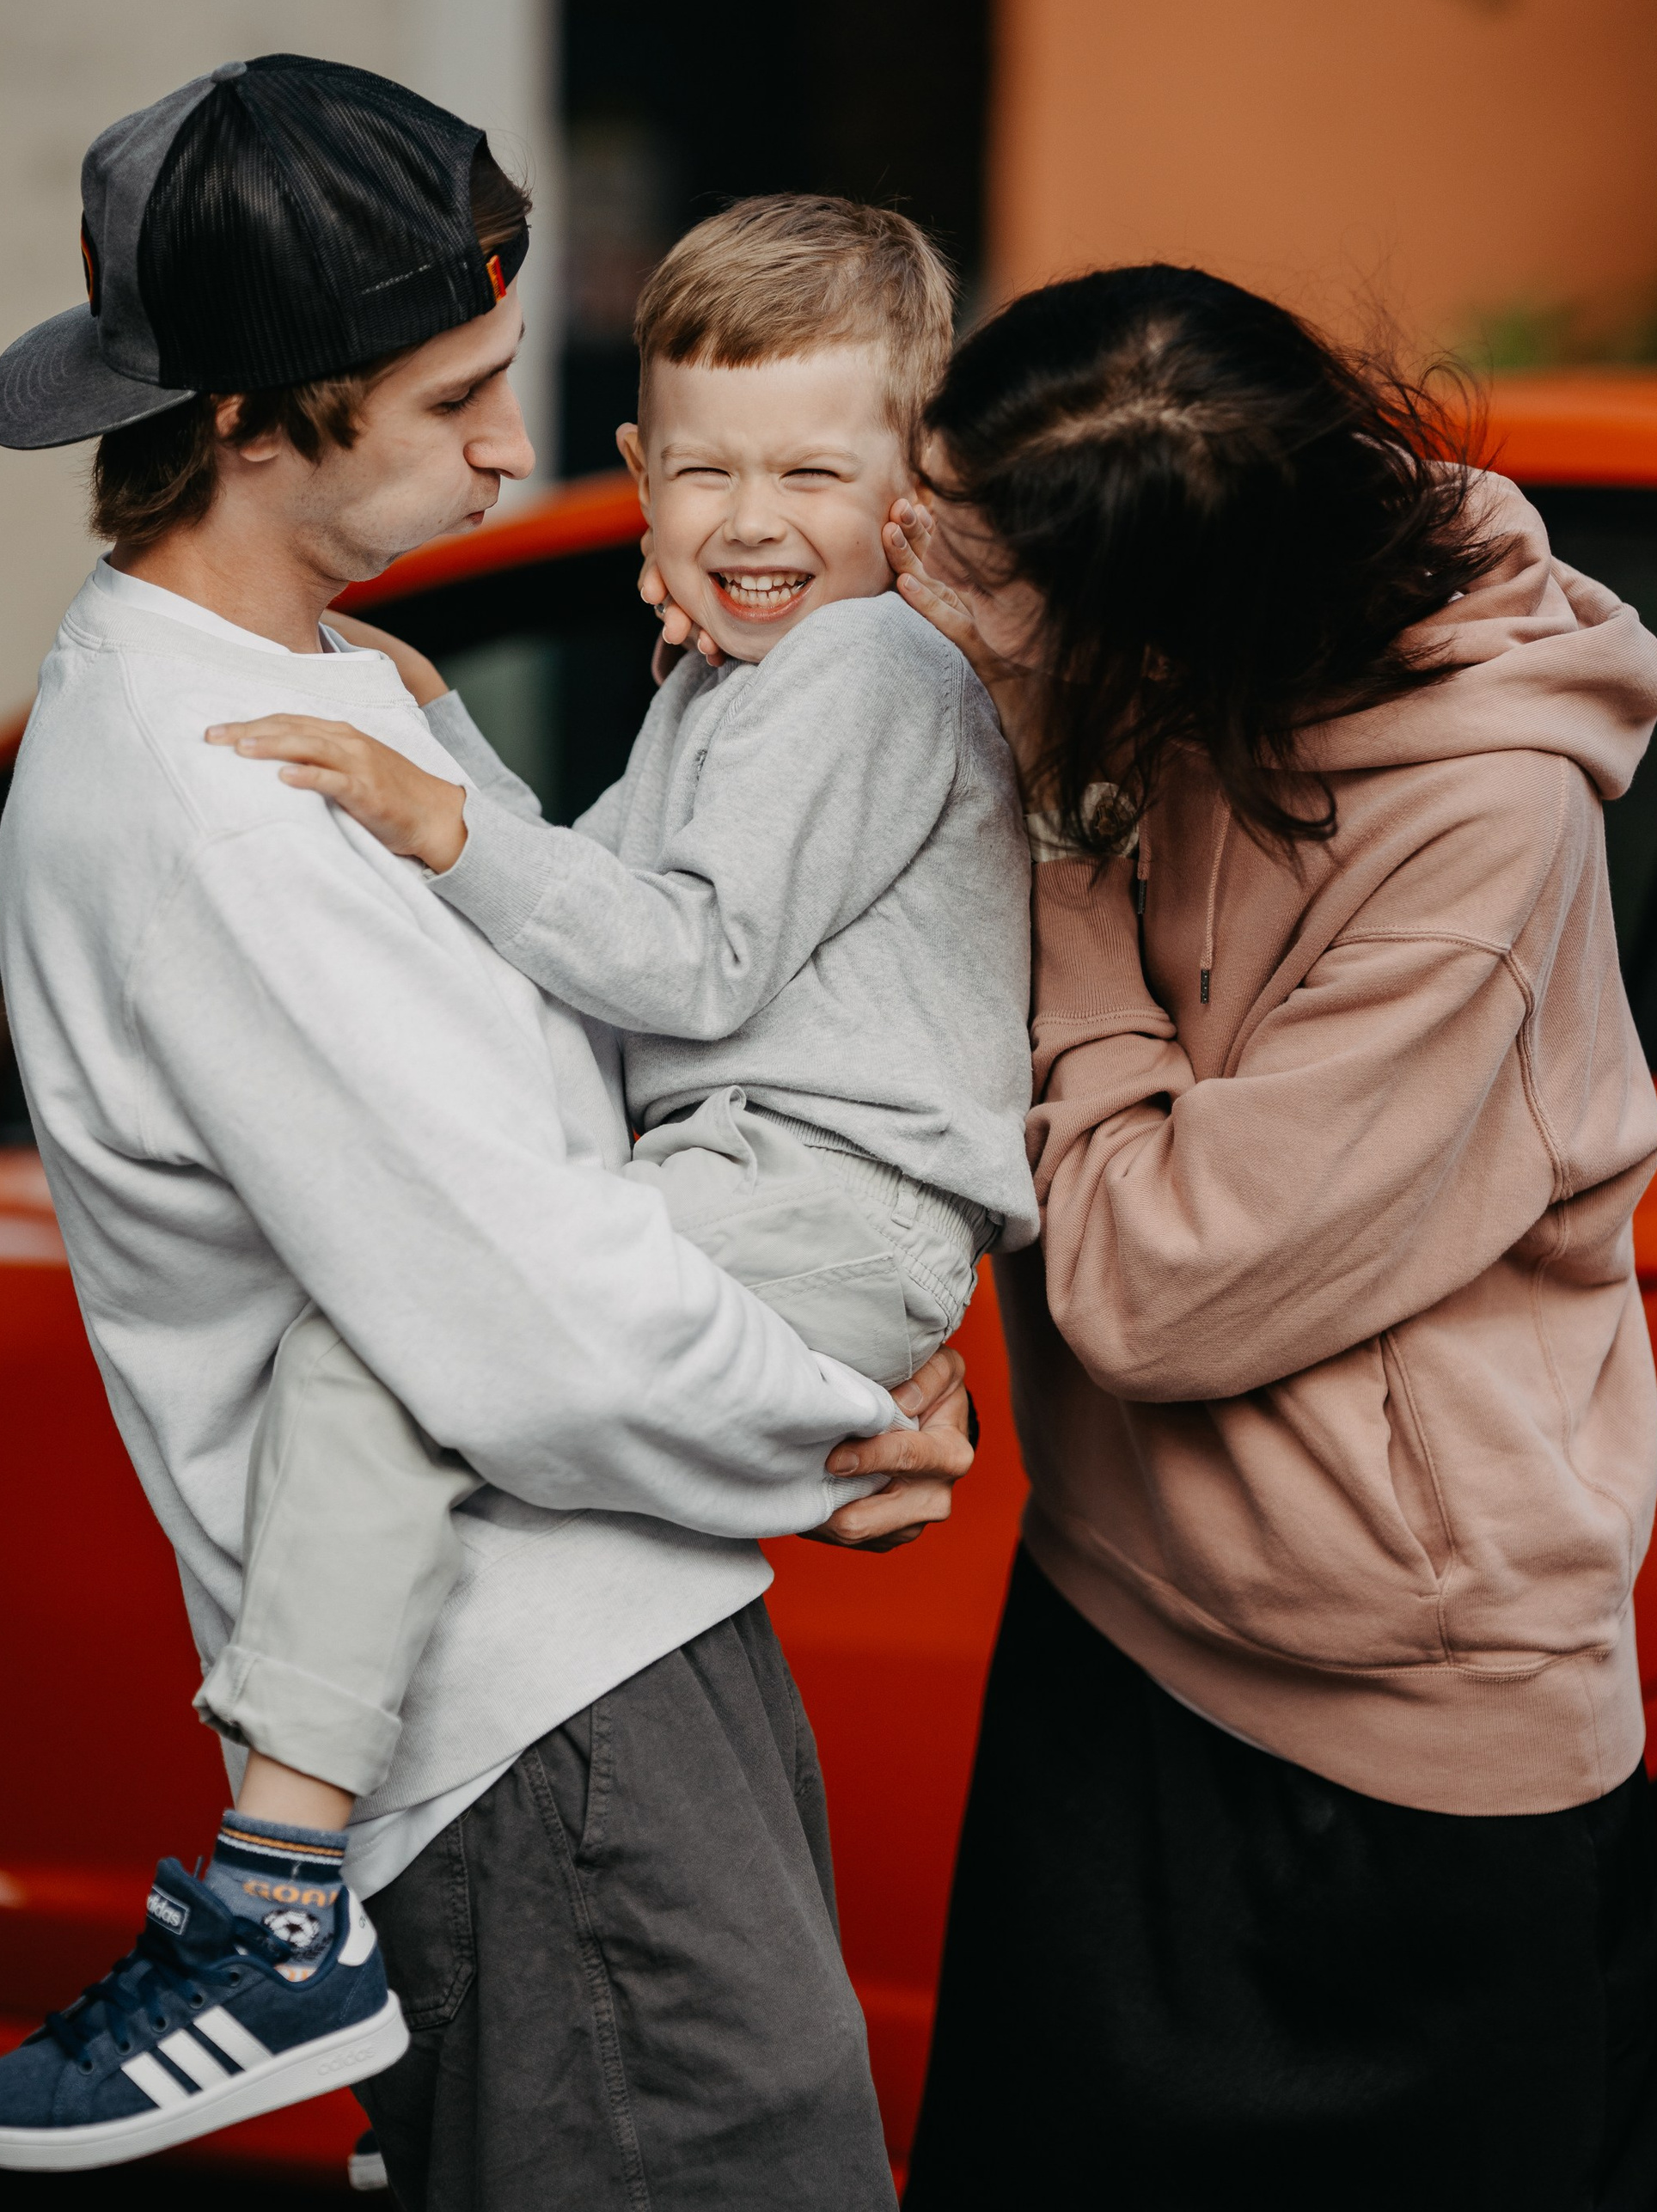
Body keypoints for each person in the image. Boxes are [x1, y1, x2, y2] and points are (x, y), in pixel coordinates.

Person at [0, 55, 969, 2212]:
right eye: (452, 401)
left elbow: (602, 1071)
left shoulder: (339, 699)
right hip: (541, 1732)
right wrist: (828, 1432)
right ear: (251, 421)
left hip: (597, 1668)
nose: (525, 455)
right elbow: (528, 1310)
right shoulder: (215, 798)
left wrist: (681, 730)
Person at [877, 266, 1657, 2212]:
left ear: (1163, 630)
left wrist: (1061, 893)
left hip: (1395, 1750)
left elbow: (1154, 1281)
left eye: (969, 555)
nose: (918, 571)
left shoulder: (1484, 824)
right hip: (1111, 1635)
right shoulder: (1157, 620)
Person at [138, 192, 1034, 1859]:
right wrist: (447, 734)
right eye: (704, 473)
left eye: (812, 474)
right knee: (407, 1359)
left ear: (918, 487)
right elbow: (599, 910)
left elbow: (683, 965)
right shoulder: (744, 679)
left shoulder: (866, 669)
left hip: (829, 1200)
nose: (750, 522)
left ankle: (278, 1864)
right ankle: (320, 1872)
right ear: (638, 471)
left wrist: (435, 814)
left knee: (384, 1346)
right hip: (771, 1193)